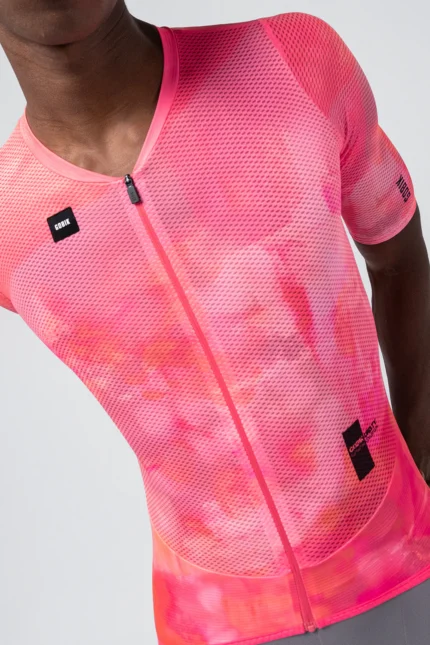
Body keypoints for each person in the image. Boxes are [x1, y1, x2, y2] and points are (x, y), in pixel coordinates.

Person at [0, 1, 429, 644]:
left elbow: (397, 256)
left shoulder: (289, 61)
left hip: (405, 567)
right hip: (214, 621)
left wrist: (425, 458)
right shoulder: (9, 220)